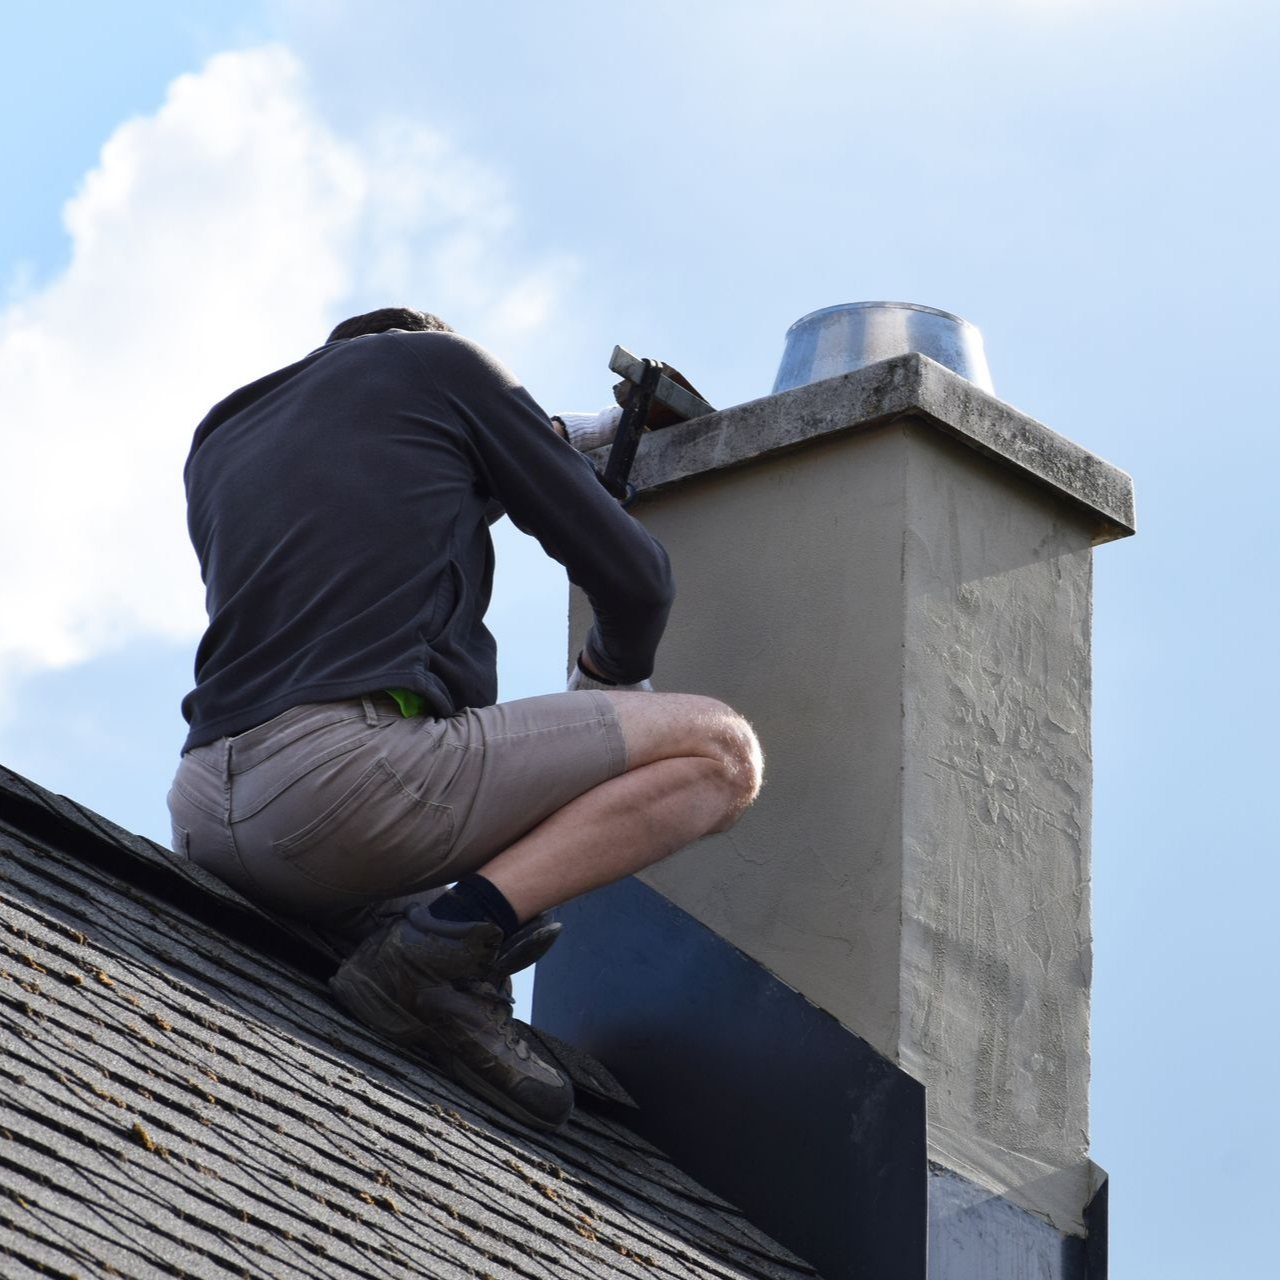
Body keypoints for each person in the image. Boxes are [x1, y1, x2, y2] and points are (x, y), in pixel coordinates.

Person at [167, 307, 763, 1132]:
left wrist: (517, 450)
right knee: (721, 755)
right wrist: (609, 686)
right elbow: (636, 582)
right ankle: (442, 950)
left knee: (468, 908)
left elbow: (369, 510)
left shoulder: (225, 435)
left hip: (206, 814)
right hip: (342, 793)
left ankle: (443, 963)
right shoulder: (440, 363)